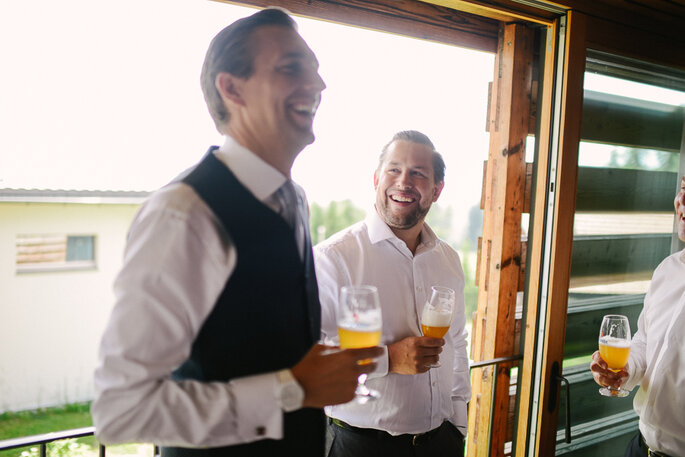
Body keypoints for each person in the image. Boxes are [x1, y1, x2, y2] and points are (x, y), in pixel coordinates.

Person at [91, 8, 382, 457]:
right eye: (291, 68)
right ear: (232, 88)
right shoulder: (184, 214)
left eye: (316, 71)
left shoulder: (295, 200)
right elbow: (121, 409)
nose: (318, 85)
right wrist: (292, 390)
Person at [314, 130, 471, 457]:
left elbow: (456, 341)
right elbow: (308, 356)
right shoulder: (333, 258)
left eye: (418, 173)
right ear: (376, 178)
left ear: (437, 190)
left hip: (440, 444)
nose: (404, 181)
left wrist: (458, 425)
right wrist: (388, 359)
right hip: (361, 445)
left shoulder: (449, 260)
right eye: (394, 170)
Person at [590, 174, 685, 457]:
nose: (682, 201)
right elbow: (645, 342)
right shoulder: (667, 270)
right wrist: (624, 369)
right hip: (640, 447)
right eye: (683, 189)